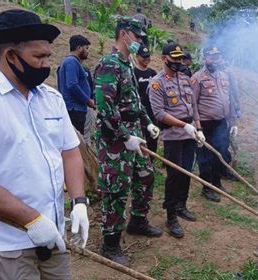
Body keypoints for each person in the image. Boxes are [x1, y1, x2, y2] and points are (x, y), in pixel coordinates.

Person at [0, 9, 89, 279]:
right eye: (39, 57)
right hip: (7, 247)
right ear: (10, 56)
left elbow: (69, 152)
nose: (46, 64)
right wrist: (31, 219)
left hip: (53, 237)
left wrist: (79, 201)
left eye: (48, 56)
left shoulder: (51, 99)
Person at [94, 17, 162, 267]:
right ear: (124, 34)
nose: (140, 41)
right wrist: (124, 136)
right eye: (138, 37)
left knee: (145, 175)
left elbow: (135, 102)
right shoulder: (109, 64)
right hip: (115, 141)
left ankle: (137, 221)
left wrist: (148, 122)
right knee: (117, 191)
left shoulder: (127, 64)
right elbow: (104, 107)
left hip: (134, 133)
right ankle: (110, 244)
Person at [149, 43, 204, 238]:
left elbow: (194, 106)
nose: (178, 62)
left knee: (187, 172)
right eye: (174, 58)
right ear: (164, 58)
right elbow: (159, 113)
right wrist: (184, 125)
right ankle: (171, 215)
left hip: (190, 133)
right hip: (173, 135)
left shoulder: (185, 78)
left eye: (181, 58)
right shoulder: (157, 83)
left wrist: (198, 127)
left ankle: (182, 205)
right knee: (174, 175)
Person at [191, 46, 239, 202]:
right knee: (205, 157)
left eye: (217, 57)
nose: (215, 60)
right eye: (211, 57)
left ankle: (217, 183)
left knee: (221, 154)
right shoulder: (197, 78)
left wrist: (233, 122)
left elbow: (230, 100)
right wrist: (197, 127)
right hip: (205, 124)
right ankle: (207, 187)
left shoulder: (224, 76)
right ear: (204, 58)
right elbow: (193, 104)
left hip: (221, 123)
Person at [58, 34, 95, 135]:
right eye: (86, 48)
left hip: (77, 109)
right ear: (79, 48)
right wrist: (88, 101)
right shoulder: (71, 62)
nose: (88, 51)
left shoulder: (73, 62)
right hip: (74, 110)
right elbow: (72, 85)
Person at [133, 44, 158, 152]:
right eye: (144, 56)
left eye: (148, 56)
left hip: (152, 111)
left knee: (153, 139)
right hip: (138, 112)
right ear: (137, 57)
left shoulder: (153, 73)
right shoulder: (133, 73)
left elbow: (157, 91)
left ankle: (151, 162)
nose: (147, 59)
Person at [83, 64, 95, 145]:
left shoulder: (85, 69)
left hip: (88, 106)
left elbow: (92, 87)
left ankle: (87, 155)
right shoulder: (66, 66)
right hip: (73, 106)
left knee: (86, 133)